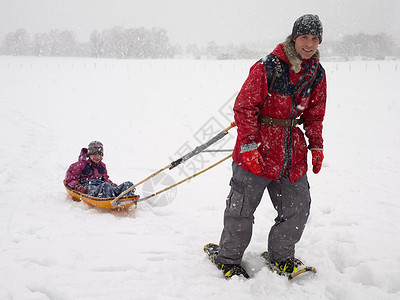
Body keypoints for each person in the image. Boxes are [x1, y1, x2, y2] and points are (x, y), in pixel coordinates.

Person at [212, 14, 326, 278]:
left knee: (298, 207)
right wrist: (250, 146)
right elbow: (244, 107)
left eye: (314, 39)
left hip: (291, 154)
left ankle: (282, 256)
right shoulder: (269, 66)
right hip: (258, 150)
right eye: (304, 38)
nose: (309, 44)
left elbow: (315, 114)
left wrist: (316, 146)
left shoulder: (316, 73)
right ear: (294, 38)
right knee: (241, 210)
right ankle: (228, 259)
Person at [65, 141, 136, 198]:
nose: (97, 157)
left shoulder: (102, 166)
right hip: (88, 187)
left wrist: (111, 184)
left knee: (129, 185)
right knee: (106, 187)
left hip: (102, 186)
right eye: (94, 155)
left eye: (100, 155)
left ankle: (123, 198)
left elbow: (105, 179)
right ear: (89, 155)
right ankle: (111, 199)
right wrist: (78, 187)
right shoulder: (79, 165)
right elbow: (70, 179)